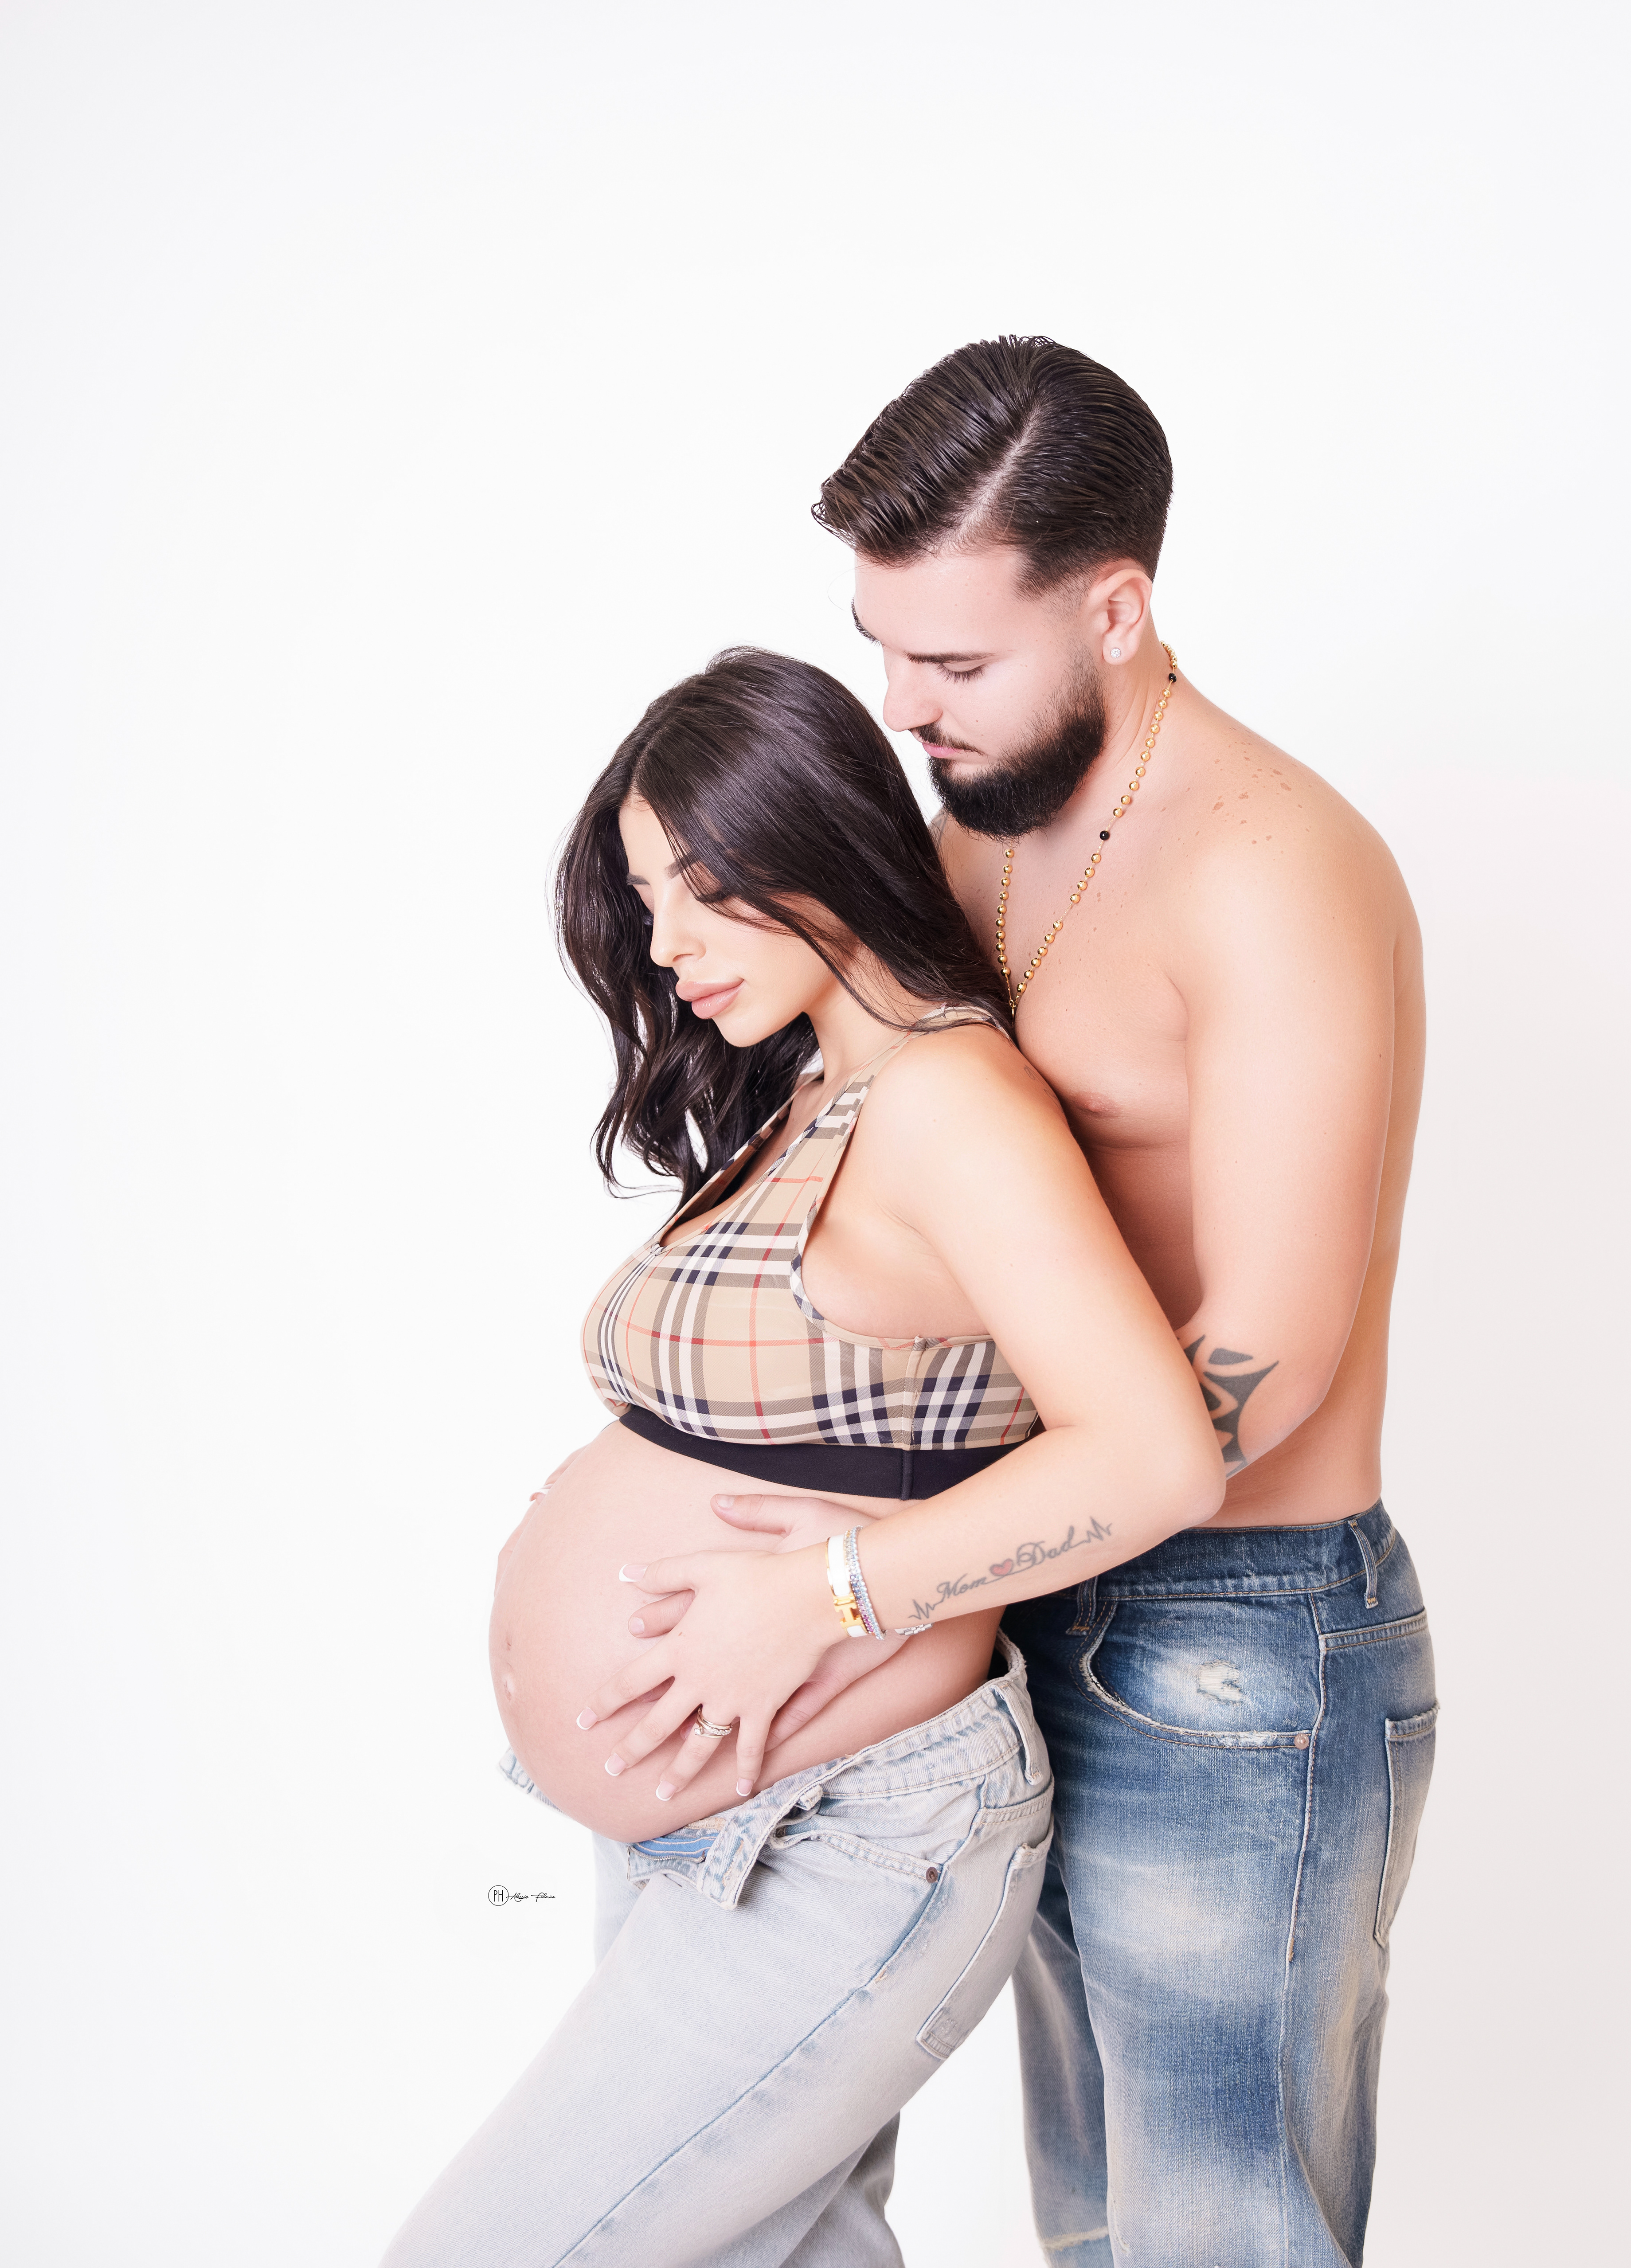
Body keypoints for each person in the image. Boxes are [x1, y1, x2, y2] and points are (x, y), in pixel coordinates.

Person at [601, 342, 1439, 2268]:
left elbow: (1270, 1355)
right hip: (1018, 1599)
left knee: (1212, 2234)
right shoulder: (977, 815)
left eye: (957, 662)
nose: (906, 707)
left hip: (1232, 1635)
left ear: (1116, 607)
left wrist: (868, 1580)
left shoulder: (1273, 870)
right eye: (884, 651)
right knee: (1091, 2227)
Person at [379, 646, 1225, 2268]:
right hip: (721, 1796)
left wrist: (824, 1593)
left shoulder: (949, 1100)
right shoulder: (819, 1087)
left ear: (822, 836)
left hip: (846, 1826)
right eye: (646, 898)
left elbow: (1152, 1456)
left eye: (705, 887)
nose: (668, 943)